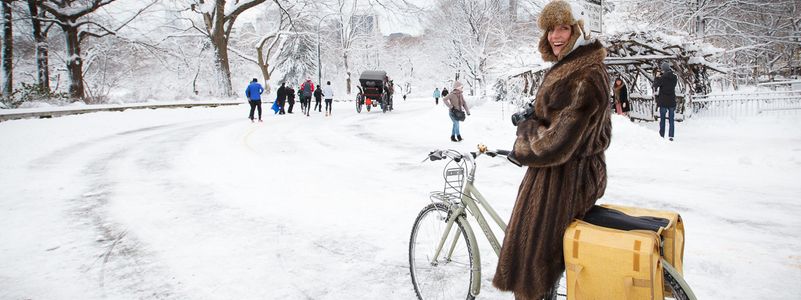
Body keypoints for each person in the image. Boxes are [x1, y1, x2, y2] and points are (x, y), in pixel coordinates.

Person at [492, 1, 612, 299]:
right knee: (540, 263)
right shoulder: (573, 66)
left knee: (535, 264)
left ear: (577, 30)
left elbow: (555, 144)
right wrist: (536, 116)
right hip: (561, 174)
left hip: (567, 179)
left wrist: (525, 134)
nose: (555, 36)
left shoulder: (584, 75)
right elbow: (567, 122)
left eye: (563, 28)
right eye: (550, 30)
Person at [654, 62, 677, 140]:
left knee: (663, 119)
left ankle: (662, 135)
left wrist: (657, 77)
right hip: (671, 101)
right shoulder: (674, 77)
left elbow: (655, 85)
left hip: (663, 101)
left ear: (663, 69)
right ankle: (671, 135)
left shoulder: (662, 78)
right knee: (671, 120)